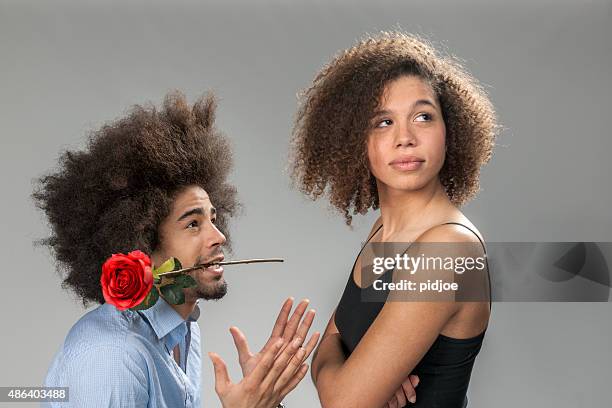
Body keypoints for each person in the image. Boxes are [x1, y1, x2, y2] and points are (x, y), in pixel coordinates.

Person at [33, 91, 320, 407]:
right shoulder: (113, 357)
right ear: (140, 242)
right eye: (193, 224)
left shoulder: (183, 331)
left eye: (213, 218)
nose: (219, 236)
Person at [290, 31, 497, 407]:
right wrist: (361, 369)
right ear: (356, 142)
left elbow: (341, 400)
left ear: (450, 131)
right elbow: (329, 344)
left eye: (423, 116)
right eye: (383, 122)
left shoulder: (449, 248)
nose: (405, 137)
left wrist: (355, 372)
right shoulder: (385, 230)